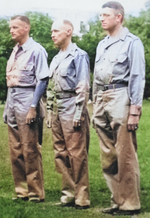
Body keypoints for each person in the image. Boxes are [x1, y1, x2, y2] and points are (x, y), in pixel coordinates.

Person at [92, 1, 145, 216]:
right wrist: (94, 100)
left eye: (106, 15)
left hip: (121, 96)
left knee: (125, 153)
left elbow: (137, 77)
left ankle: (130, 203)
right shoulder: (102, 44)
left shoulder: (133, 43)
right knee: (108, 154)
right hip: (101, 97)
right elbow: (96, 75)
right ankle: (116, 200)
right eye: (101, 15)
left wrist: (135, 110)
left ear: (119, 17)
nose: (102, 19)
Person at [3, 15, 49, 202]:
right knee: (15, 149)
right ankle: (21, 191)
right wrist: (7, 106)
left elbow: (42, 80)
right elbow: (11, 81)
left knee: (30, 147)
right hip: (12, 98)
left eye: (15, 27)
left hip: (27, 96)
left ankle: (35, 192)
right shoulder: (15, 51)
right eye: (10, 27)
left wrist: (33, 106)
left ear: (26, 28)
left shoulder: (36, 50)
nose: (11, 30)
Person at [46, 19, 90, 209]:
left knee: (77, 154)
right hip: (57, 108)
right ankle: (68, 195)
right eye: (52, 31)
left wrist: (79, 113)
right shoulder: (55, 58)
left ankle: (82, 198)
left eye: (56, 31)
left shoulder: (79, 55)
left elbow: (83, 86)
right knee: (60, 153)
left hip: (73, 106)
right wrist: (49, 110)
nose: (52, 34)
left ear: (68, 31)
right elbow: (50, 87)